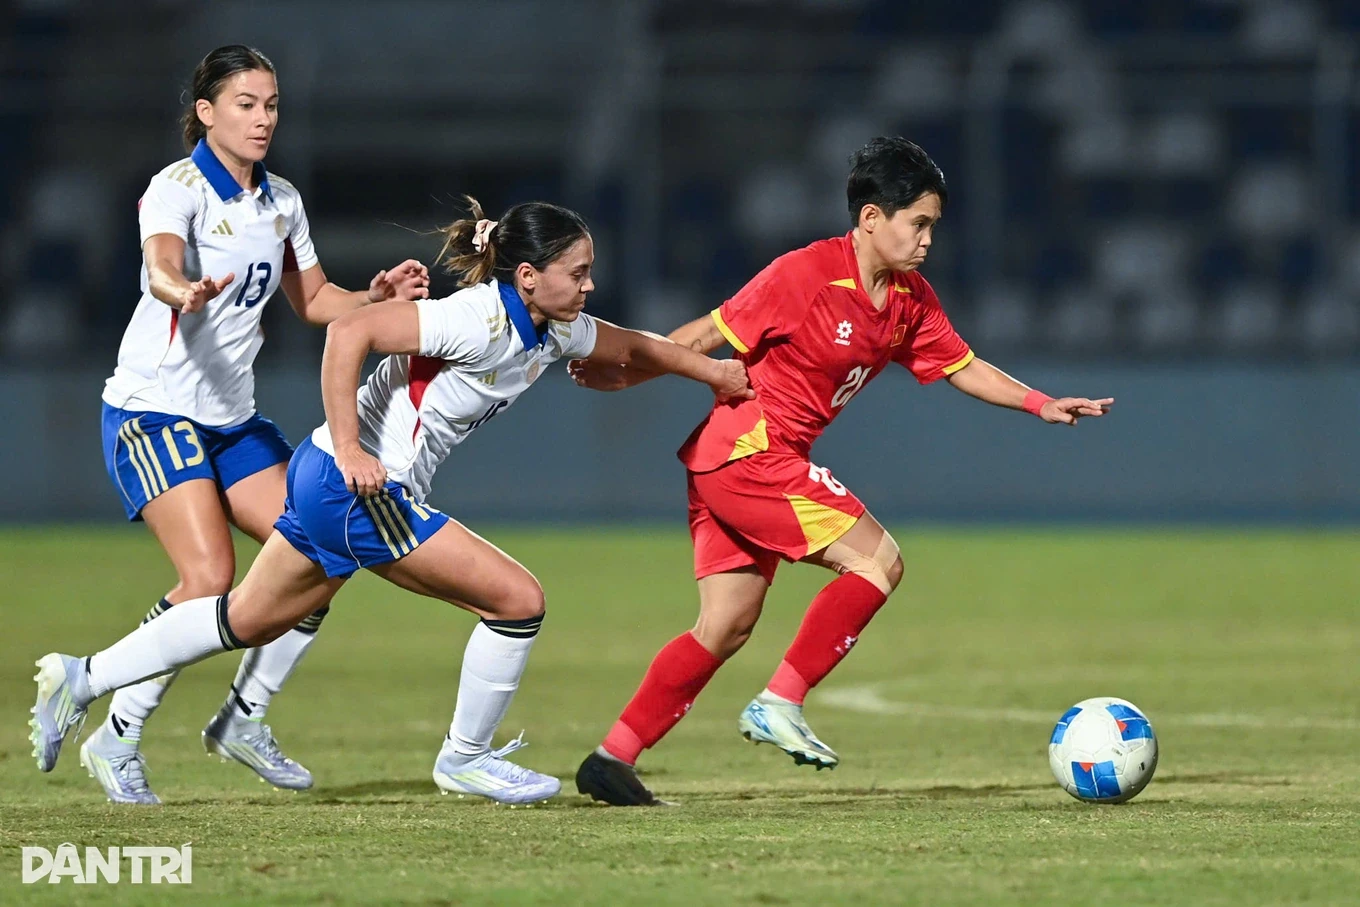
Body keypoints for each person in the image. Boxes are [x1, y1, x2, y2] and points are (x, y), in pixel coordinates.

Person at [31, 197, 753, 806]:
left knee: (241, 619)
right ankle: (464, 757)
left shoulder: (552, 326)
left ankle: (82, 675)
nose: (590, 283)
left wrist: (712, 374)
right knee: (517, 600)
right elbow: (350, 330)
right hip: (356, 488)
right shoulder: (476, 319)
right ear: (528, 276)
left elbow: (633, 345)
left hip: (325, 483)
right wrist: (351, 447)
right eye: (579, 271)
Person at [569, 136, 1114, 806]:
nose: (926, 241)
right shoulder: (804, 275)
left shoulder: (910, 300)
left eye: (933, 227)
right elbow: (701, 337)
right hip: (751, 452)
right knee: (879, 561)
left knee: (726, 624)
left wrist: (1040, 402)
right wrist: (623, 376)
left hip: (730, 461)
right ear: (871, 220)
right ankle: (780, 699)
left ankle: (611, 756)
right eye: (918, 224)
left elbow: (963, 365)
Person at [88, 45, 430, 804]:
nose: (263, 118)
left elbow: (314, 303)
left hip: (233, 421)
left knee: (324, 551)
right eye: (246, 103)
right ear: (206, 113)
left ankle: (243, 717)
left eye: (271, 104)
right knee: (208, 577)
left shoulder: (282, 201)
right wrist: (182, 290)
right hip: (153, 412)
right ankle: (116, 733)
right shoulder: (174, 189)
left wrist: (375, 297)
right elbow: (158, 265)